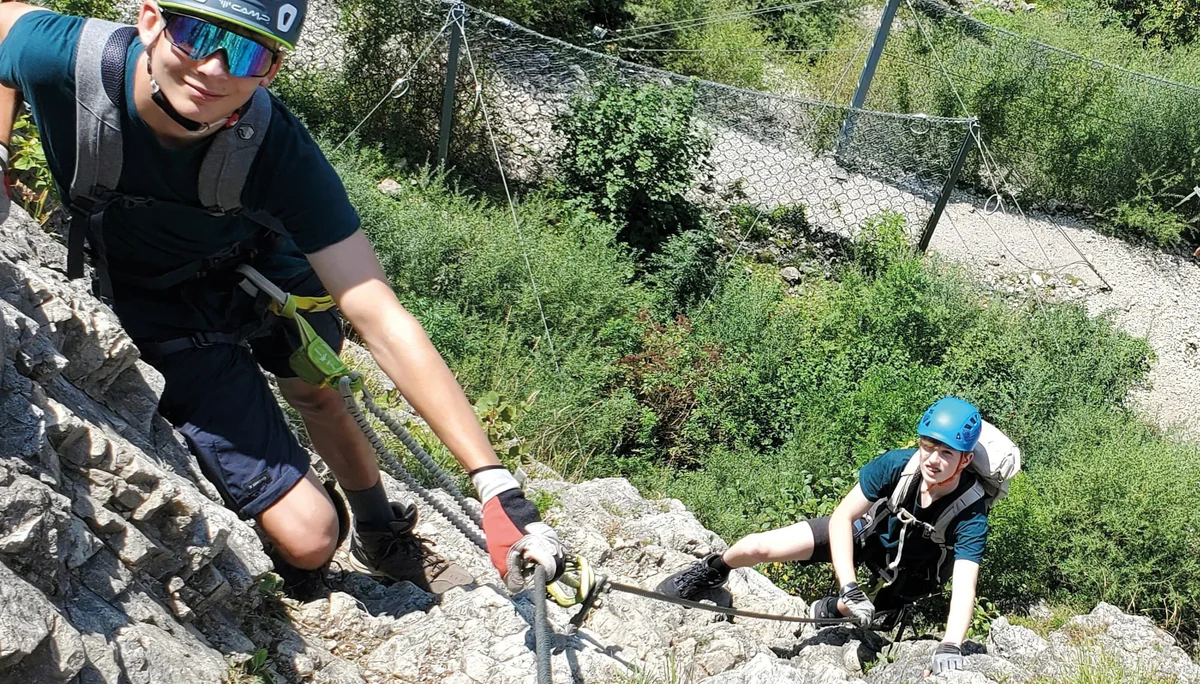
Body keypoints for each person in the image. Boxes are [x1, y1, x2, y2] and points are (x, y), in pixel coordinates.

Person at [0, 0, 563, 596]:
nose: (215, 69)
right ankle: (311, 501)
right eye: (195, 35)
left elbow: (376, 308)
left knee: (320, 394)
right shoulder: (67, 59)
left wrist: (495, 485)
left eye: (246, 52)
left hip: (270, 272)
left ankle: (380, 530)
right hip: (157, 298)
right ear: (149, 22)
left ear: (270, 71)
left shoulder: (276, 150)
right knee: (311, 539)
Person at [657, 397, 991, 675]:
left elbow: (965, 583)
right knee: (760, 546)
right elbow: (843, 517)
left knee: (868, 616)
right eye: (928, 447)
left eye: (946, 453)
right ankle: (714, 568)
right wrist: (849, 582)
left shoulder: (970, 511)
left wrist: (951, 643)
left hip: (912, 576)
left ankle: (834, 608)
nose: (933, 460)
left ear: (966, 459)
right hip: (868, 536)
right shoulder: (896, 466)